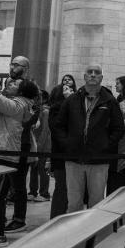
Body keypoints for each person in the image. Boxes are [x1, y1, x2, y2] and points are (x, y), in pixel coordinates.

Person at [0, 67, 41, 244]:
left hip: (3, 152)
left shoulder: (18, 105)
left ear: (21, 91)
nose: (10, 83)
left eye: (14, 83)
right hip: (0, 150)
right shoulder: (16, 102)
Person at [53, 64, 124, 214]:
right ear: (84, 77)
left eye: (96, 72)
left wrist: (105, 146)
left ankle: (93, 237)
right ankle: (75, 236)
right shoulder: (72, 100)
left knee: (96, 203)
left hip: (99, 160)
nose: (92, 75)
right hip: (74, 159)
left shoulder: (110, 101)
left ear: (101, 78)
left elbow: (118, 128)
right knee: (73, 203)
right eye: (89, 72)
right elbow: (59, 125)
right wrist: (67, 144)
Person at [47, 73, 77, 217]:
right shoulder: (56, 108)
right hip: (61, 152)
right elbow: (57, 129)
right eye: (64, 81)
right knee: (62, 187)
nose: (67, 83)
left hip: (75, 153)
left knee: (73, 189)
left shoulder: (78, 106)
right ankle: (56, 218)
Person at [107, 75, 125, 193]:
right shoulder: (118, 98)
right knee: (114, 178)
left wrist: (119, 122)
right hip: (118, 142)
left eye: (118, 83)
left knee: (124, 176)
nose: (116, 85)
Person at [28, 86, 51, 202]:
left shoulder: (46, 111)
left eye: (38, 97)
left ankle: (44, 193)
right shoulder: (37, 111)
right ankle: (32, 191)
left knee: (42, 169)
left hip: (43, 146)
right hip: (35, 144)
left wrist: (39, 147)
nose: (35, 99)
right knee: (34, 168)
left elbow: (45, 131)